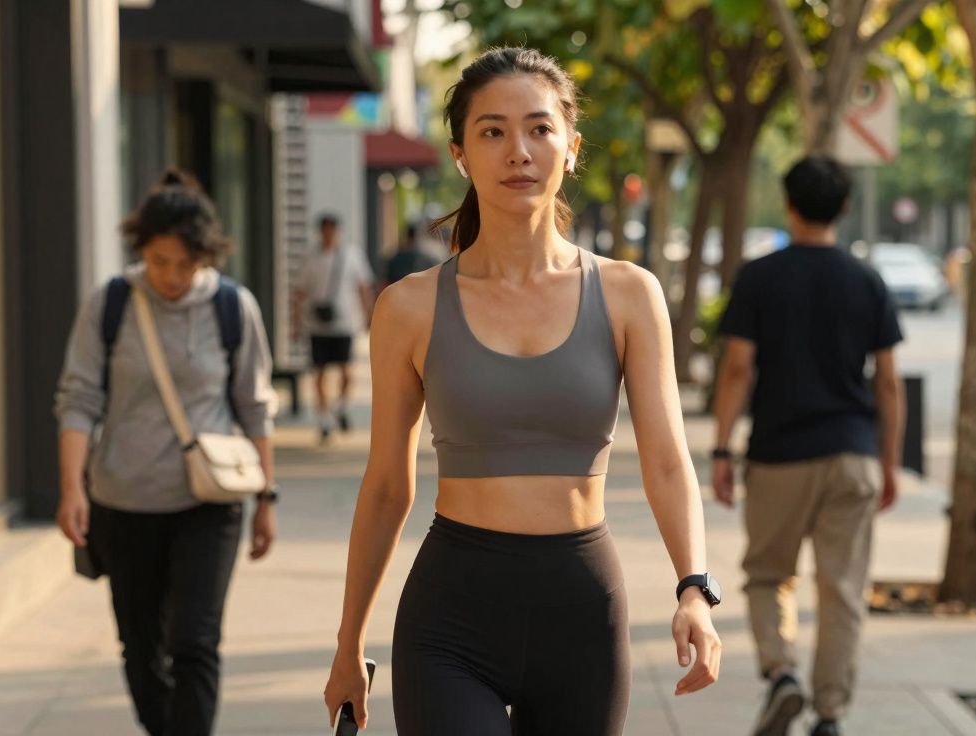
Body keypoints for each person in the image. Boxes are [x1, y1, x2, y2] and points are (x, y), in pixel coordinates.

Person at [323, 47, 722, 735]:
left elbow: (665, 459)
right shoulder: (409, 308)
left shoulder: (628, 294)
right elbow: (388, 483)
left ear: (571, 147)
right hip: (451, 614)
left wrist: (694, 586)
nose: (519, 151)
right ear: (460, 153)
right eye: (493, 131)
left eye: (539, 128)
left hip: (583, 612)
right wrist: (348, 642)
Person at [54, 170, 280, 736]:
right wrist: (70, 489)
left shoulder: (233, 307)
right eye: (159, 262)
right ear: (141, 251)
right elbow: (78, 398)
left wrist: (267, 498)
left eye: (185, 264)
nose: (172, 277)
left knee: (195, 643)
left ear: (206, 256)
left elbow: (255, 405)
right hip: (123, 503)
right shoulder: (110, 304)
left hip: (209, 502)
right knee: (140, 649)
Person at [712, 157, 904, 736]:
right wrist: (888, 463)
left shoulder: (760, 277)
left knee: (769, 576)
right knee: (842, 590)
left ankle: (781, 674)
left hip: (779, 455)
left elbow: (738, 370)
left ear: (789, 204)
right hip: (853, 453)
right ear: (844, 208)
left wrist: (722, 449)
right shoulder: (867, 279)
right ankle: (830, 714)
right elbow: (889, 382)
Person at [292, 213, 375, 443]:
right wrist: (296, 323)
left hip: (345, 322)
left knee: (347, 371)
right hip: (317, 324)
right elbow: (299, 293)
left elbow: (363, 287)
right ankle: (324, 419)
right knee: (319, 373)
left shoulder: (351, 255)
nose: (328, 235)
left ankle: (341, 406)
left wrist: (369, 314)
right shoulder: (311, 258)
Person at [381, 222, 439, 290]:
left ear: (407, 236)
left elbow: (385, 284)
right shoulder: (429, 260)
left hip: (398, 297)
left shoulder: (394, 259)